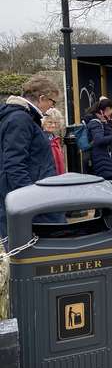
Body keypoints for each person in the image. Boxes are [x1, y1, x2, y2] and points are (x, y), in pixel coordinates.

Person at [0, 74, 59, 247]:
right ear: (41, 98)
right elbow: (14, 164)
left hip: (31, 195)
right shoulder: (20, 119)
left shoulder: (20, 117)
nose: (50, 107)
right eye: (52, 101)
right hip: (31, 199)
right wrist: (29, 198)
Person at [85, 97, 112, 181]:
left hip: (107, 162)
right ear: (104, 111)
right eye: (110, 112)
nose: (110, 115)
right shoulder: (95, 123)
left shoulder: (103, 122)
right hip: (102, 162)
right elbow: (99, 140)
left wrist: (108, 123)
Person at [42, 108, 65, 175]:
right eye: (50, 122)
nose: (53, 125)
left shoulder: (55, 139)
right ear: (44, 122)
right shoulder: (40, 138)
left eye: (55, 123)